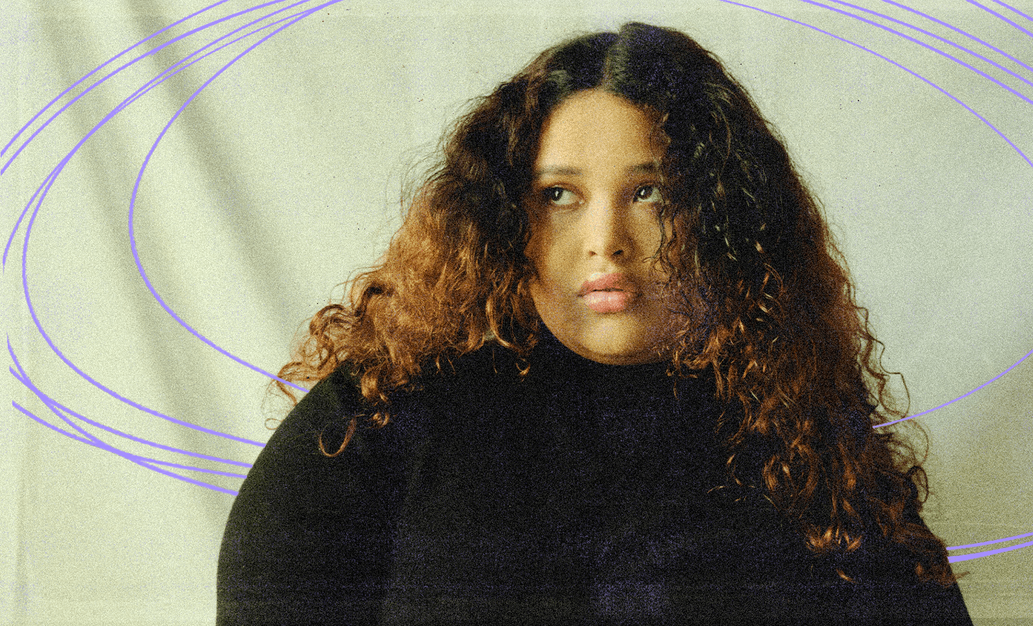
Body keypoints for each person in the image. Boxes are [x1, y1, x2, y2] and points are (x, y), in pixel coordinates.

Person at [217, 22, 973, 625]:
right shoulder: (379, 413)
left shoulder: (804, 429)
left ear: (725, 218)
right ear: (503, 216)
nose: (604, 240)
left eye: (650, 192)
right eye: (558, 195)